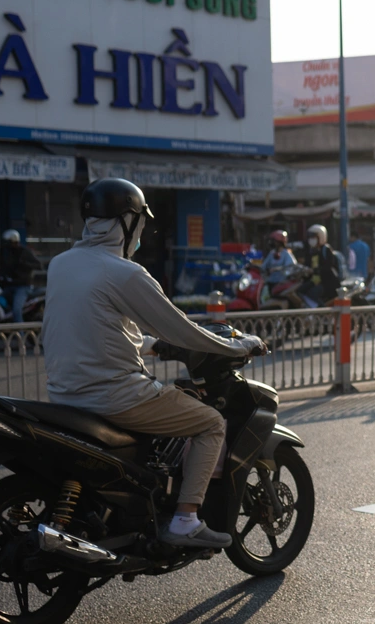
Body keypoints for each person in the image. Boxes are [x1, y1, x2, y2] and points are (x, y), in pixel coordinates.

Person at [42, 179, 266, 549]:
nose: (142, 232)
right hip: (116, 397)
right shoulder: (124, 272)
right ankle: (185, 519)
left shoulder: (61, 265)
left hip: (64, 396)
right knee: (210, 423)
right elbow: (183, 330)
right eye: (140, 224)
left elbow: (96, 330)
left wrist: (153, 347)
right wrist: (235, 346)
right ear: (126, 222)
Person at [0, 229, 41, 324]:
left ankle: (21, 334)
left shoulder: (24, 252)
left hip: (22, 286)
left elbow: (38, 265)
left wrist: (23, 264)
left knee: (16, 310)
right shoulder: (6, 252)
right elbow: (1, 266)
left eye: (8, 243)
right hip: (9, 285)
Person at [303, 224, 343, 303]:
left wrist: (314, 271)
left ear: (321, 237)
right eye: (310, 238)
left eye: (313, 237)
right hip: (315, 281)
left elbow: (328, 267)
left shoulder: (326, 250)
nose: (311, 240)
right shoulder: (311, 251)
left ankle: (320, 311)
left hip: (326, 283)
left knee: (313, 293)